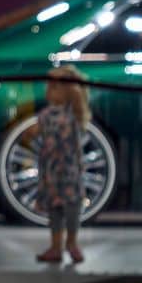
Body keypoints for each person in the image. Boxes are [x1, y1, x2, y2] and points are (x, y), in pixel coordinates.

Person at [35, 65, 90, 265]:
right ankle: (57, 246)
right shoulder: (47, 115)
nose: (49, 91)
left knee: (72, 207)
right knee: (55, 210)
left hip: (67, 168)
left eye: (55, 87)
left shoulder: (73, 113)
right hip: (53, 169)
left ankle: (70, 243)